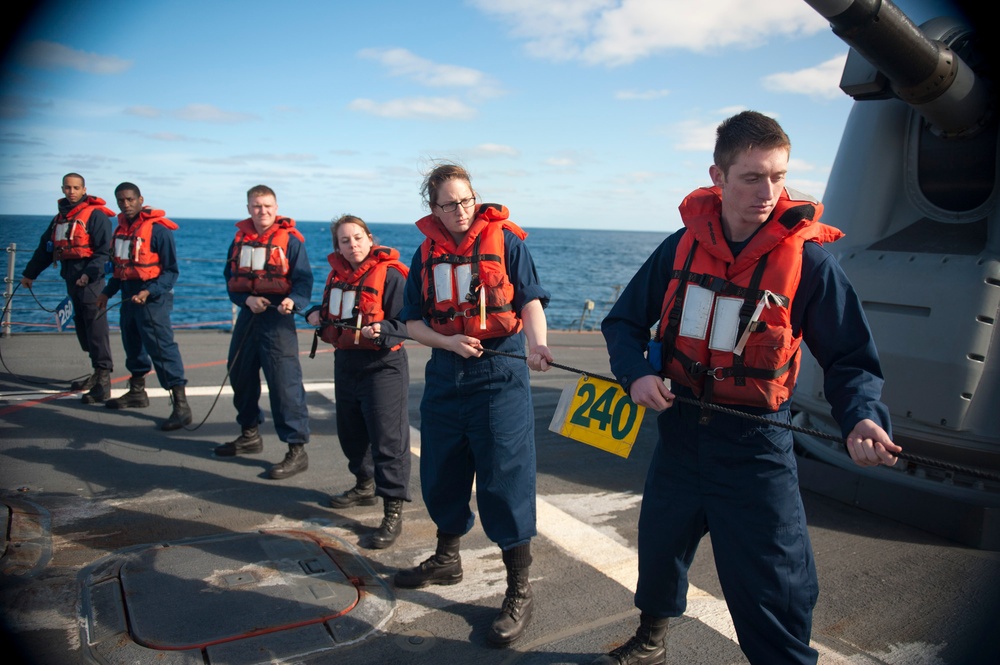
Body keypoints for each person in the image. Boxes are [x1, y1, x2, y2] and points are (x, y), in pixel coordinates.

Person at [598, 111, 903, 665]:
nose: (768, 192)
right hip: (682, 431)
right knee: (661, 544)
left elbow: (850, 358)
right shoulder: (678, 248)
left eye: (778, 177)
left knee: (776, 579)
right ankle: (652, 637)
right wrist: (637, 374)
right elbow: (622, 323)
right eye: (752, 177)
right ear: (718, 177)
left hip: (756, 444)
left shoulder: (809, 263)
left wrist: (863, 416)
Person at [394, 163, 554, 647]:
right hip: (446, 373)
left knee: (505, 477)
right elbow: (412, 323)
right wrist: (448, 344)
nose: (460, 211)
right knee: (442, 470)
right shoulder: (425, 254)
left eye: (466, 200)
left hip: (500, 369)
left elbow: (528, 300)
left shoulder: (506, 241)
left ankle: (518, 588)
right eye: (448, 203)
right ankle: (447, 557)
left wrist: (539, 344)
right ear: (433, 208)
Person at [306, 215, 411, 549]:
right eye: (344, 241)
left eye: (357, 238)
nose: (352, 245)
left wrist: (384, 330)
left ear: (370, 238)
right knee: (350, 432)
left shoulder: (391, 274)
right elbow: (328, 314)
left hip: (382, 365)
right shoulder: (337, 276)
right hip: (346, 362)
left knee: (387, 440)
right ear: (337, 246)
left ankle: (392, 509)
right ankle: (363, 484)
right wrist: (312, 313)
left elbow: (408, 321)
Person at [218, 185, 312, 480]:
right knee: (240, 376)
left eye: (268, 206)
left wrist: (292, 302)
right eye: (257, 206)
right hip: (248, 316)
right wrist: (245, 300)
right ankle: (249, 434)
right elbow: (229, 278)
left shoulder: (291, 241)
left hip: (278, 320)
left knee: (285, 385)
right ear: (248, 208)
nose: (263, 211)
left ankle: (296, 449)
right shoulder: (238, 241)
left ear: (276, 207)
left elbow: (304, 282)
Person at [97, 182, 192, 431]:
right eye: (120, 201)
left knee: (162, 349)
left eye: (129, 200)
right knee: (132, 343)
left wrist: (149, 291)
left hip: (153, 299)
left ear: (140, 199)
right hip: (128, 296)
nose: (125, 205)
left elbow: (171, 272)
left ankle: (181, 407)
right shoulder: (120, 230)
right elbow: (120, 269)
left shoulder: (159, 231)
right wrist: (107, 292)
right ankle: (137, 392)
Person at [21, 173, 114, 403]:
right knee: (82, 329)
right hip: (71, 280)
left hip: (91, 282)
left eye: (76, 188)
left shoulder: (96, 215)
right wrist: (29, 274)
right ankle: (96, 373)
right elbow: (46, 248)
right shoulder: (59, 219)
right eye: (67, 187)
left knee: (96, 329)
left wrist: (88, 274)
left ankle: (104, 381)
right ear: (63, 189)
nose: (71, 191)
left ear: (84, 189)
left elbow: (105, 252)